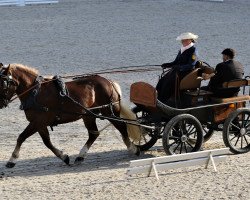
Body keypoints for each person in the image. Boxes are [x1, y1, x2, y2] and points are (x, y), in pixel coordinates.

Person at [156, 32, 199, 103]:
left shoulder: (193, 50)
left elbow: (191, 65)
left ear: (190, 40)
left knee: (168, 83)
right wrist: (167, 64)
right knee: (162, 80)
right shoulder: (181, 50)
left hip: (187, 72)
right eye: (182, 40)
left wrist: (179, 67)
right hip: (177, 71)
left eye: (184, 40)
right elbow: (175, 62)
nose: (182, 41)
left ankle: (163, 100)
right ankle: (157, 97)